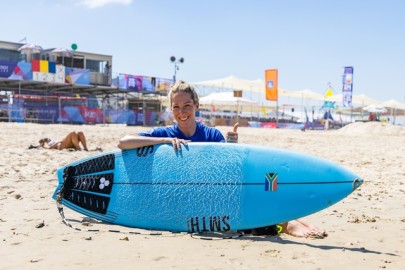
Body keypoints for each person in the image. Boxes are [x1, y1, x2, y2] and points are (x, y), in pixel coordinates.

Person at [118, 80, 327, 238]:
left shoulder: (211, 136)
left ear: (196, 105)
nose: (182, 112)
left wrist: (232, 146)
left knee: (249, 195)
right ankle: (286, 223)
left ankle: (291, 220)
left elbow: (228, 171)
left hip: (212, 194)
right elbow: (123, 142)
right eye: (176, 107)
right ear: (171, 109)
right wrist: (163, 141)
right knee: (240, 218)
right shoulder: (165, 133)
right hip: (186, 199)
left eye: (187, 105)